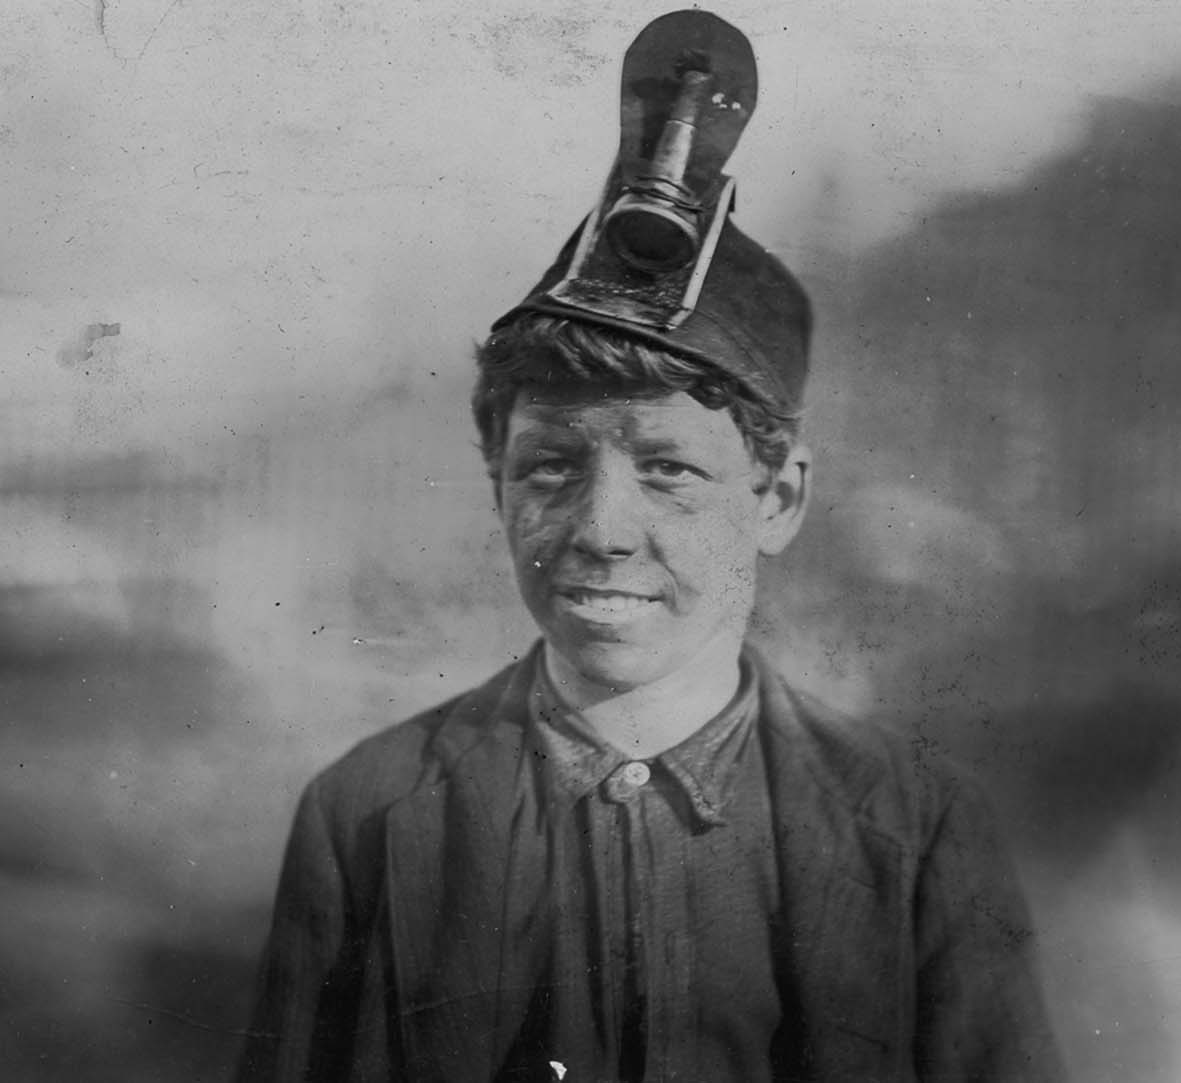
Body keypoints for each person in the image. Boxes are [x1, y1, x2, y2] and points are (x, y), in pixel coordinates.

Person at [237, 11, 1062, 1082]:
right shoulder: (369, 816)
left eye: (669, 470)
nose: (600, 530)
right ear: (495, 484)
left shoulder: (913, 830)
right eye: (549, 467)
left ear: (777, 497)